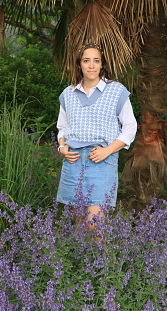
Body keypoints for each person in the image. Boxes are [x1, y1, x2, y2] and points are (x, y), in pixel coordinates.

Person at [56, 42, 137, 232]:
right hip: (73, 162)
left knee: (95, 227)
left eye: (96, 61)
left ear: (102, 65)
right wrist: (62, 148)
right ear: (79, 65)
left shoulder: (116, 91)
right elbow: (62, 128)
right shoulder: (68, 94)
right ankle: (85, 262)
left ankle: (102, 262)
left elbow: (130, 127)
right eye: (86, 60)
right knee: (80, 228)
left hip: (101, 160)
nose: (91, 65)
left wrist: (107, 151)